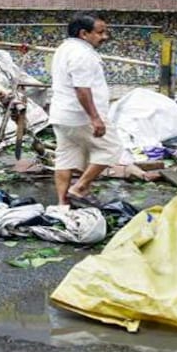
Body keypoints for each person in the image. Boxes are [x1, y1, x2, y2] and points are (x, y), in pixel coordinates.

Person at [49, 12, 122, 207]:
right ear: (83, 33)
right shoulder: (82, 54)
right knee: (111, 148)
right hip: (80, 116)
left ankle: (63, 205)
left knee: (65, 158)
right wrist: (95, 118)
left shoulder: (64, 48)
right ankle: (80, 188)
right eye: (100, 32)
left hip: (62, 115)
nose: (104, 37)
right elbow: (82, 89)